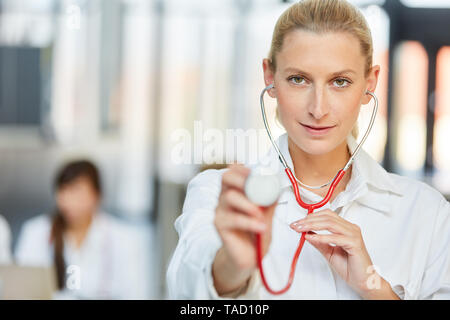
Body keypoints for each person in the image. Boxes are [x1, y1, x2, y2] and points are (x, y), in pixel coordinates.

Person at [167, 0, 450, 300]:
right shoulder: (217, 195)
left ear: (370, 82)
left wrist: (373, 287)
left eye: (340, 82)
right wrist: (232, 267)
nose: (318, 109)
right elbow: (186, 294)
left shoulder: (426, 214)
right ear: (269, 77)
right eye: (298, 79)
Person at [15, 160, 141, 299]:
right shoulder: (36, 232)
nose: (67, 199)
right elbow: (23, 290)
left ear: (96, 195)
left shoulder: (121, 238)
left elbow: (134, 293)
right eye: (63, 190)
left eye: (76, 190)